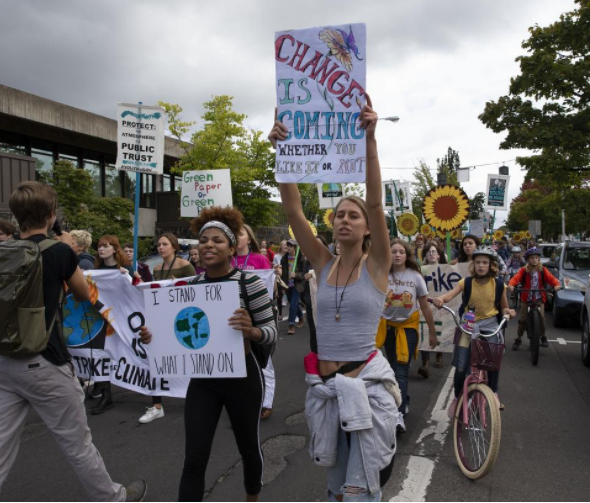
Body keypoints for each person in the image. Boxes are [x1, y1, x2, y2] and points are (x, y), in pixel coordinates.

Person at [269, 97, 399, 501]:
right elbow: (293, 214)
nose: (344, 218)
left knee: (360, 490)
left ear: (365, 229)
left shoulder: (377, 265)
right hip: (325, 388)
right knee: (335, 487)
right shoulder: (322, 262)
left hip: (367, 388)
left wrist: (370, 141)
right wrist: (283, 152)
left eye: (352, 215)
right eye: (339, 213)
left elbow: (376, 202)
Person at [0, 181, 146, 501]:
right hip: (45, 359)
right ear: (51, 215)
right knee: (77, 443)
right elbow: (82, 292)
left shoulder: (4, 250)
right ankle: (113, 497)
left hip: (6, 359)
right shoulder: (59, 251)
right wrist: (63, 245)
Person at [139, 206, 277, 502]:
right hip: (204, 381)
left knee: (248, 447)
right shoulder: (190, 287)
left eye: (217, 240)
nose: (208, 245)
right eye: (203, 241)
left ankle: (252, 497)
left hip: (243, 378)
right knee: (194, 458)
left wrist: (252, 331)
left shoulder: (248, 283)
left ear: (230, 248)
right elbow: (176, 333)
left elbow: (271, 331)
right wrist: (154, 336)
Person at [431, 246, 516, 417]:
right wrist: (440, 299)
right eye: (478, 262)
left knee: (493, 361)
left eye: (485, 262)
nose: (481, 266)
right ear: (473, 264)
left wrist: (509, 312)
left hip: (491, 326)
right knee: (461, 366)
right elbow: (449, 295)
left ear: (491, 265)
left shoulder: (499, 285)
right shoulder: (467, 282)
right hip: (468, 324)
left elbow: (504, 307)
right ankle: (457, 398)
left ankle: (493, 393)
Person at [377, 239, 437, 433]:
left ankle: (398, 414)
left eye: (401, 251)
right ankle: (405, 398)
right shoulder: (381, 273)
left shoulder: (415, 276)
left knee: (401, 370)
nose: (397, 255)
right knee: (393, 369)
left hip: (408, 327)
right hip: (387, 327)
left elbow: (425, 306)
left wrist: (432, 332)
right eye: (393, 251)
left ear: (407, 255)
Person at [142, 233, 195, 424]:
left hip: (181, 319)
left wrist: (179, 287)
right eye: (158, 244)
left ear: (174, 246)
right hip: (161, 318)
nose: (160, 247)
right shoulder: (156, 268)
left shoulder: (184, 265)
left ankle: (196, 398)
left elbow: (195, 291)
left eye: (164, 244)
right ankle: (157, 405)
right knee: (157, 359)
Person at [234, 225, 275, 420]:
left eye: (240, 234)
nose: (236, 237)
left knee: (263, 361)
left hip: (257, 317)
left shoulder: (259, 259)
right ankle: (244, 400)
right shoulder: (227, 260)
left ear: (250, 239)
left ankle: (266, 401)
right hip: (235, 319)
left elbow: (269, 287)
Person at [91, 235, 134, 415]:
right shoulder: (96, 270)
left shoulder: (124, 269)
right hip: (101, 319)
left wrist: (128, 277)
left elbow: (134, 292)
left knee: (119, 353)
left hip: (120, 319)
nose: (101, 250)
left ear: (114, 249)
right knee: (101, 355)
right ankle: (105, 393)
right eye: (100, 247)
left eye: (105, 246)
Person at [508, 247, 561, 350]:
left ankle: (543, 336)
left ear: (539, 259)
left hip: (539, 296)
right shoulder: (524, 270)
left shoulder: (543, 270)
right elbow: (516, 278)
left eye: (536, 258)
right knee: (523, 319)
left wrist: (557, 285)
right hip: (526, 296)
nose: (534, 260)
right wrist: (511, 285)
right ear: (528, 259)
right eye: (532, 258)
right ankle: (518, 338)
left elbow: (552, 279)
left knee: (541, 318)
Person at [418, 240, 446, 374]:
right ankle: (425, 362)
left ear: (439, 255)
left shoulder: (446, 269)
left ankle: (439, 355)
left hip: (441, 304)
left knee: (440, 329)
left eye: (434, 251)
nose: (431, 254)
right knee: (424, 330)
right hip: (425, 304)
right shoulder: (420, 270)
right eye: (428, 252)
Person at [280, 239, 305, 335]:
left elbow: (303, 273)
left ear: (295, 247)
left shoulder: (300, 259)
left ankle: (291, 325)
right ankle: (301, 316)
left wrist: (297, 275)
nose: (288, 248)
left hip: (296, 285)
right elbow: (282, 274)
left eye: (290, 246)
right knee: (294, 304)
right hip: (287, 285)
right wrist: (282, 285)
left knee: (292, 305)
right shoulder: (284, 259)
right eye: (288, 246)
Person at [273, 240, 288, 321]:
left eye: (286, 245)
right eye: (283, 245)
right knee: (279, 297)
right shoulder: (276, 256)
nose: (285, 246)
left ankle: (299, 315)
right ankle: (280, 314)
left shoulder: (289, 256)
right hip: (279, 278)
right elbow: (274, 266)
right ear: (280, 246)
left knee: (290, 296)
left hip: (287, 278)